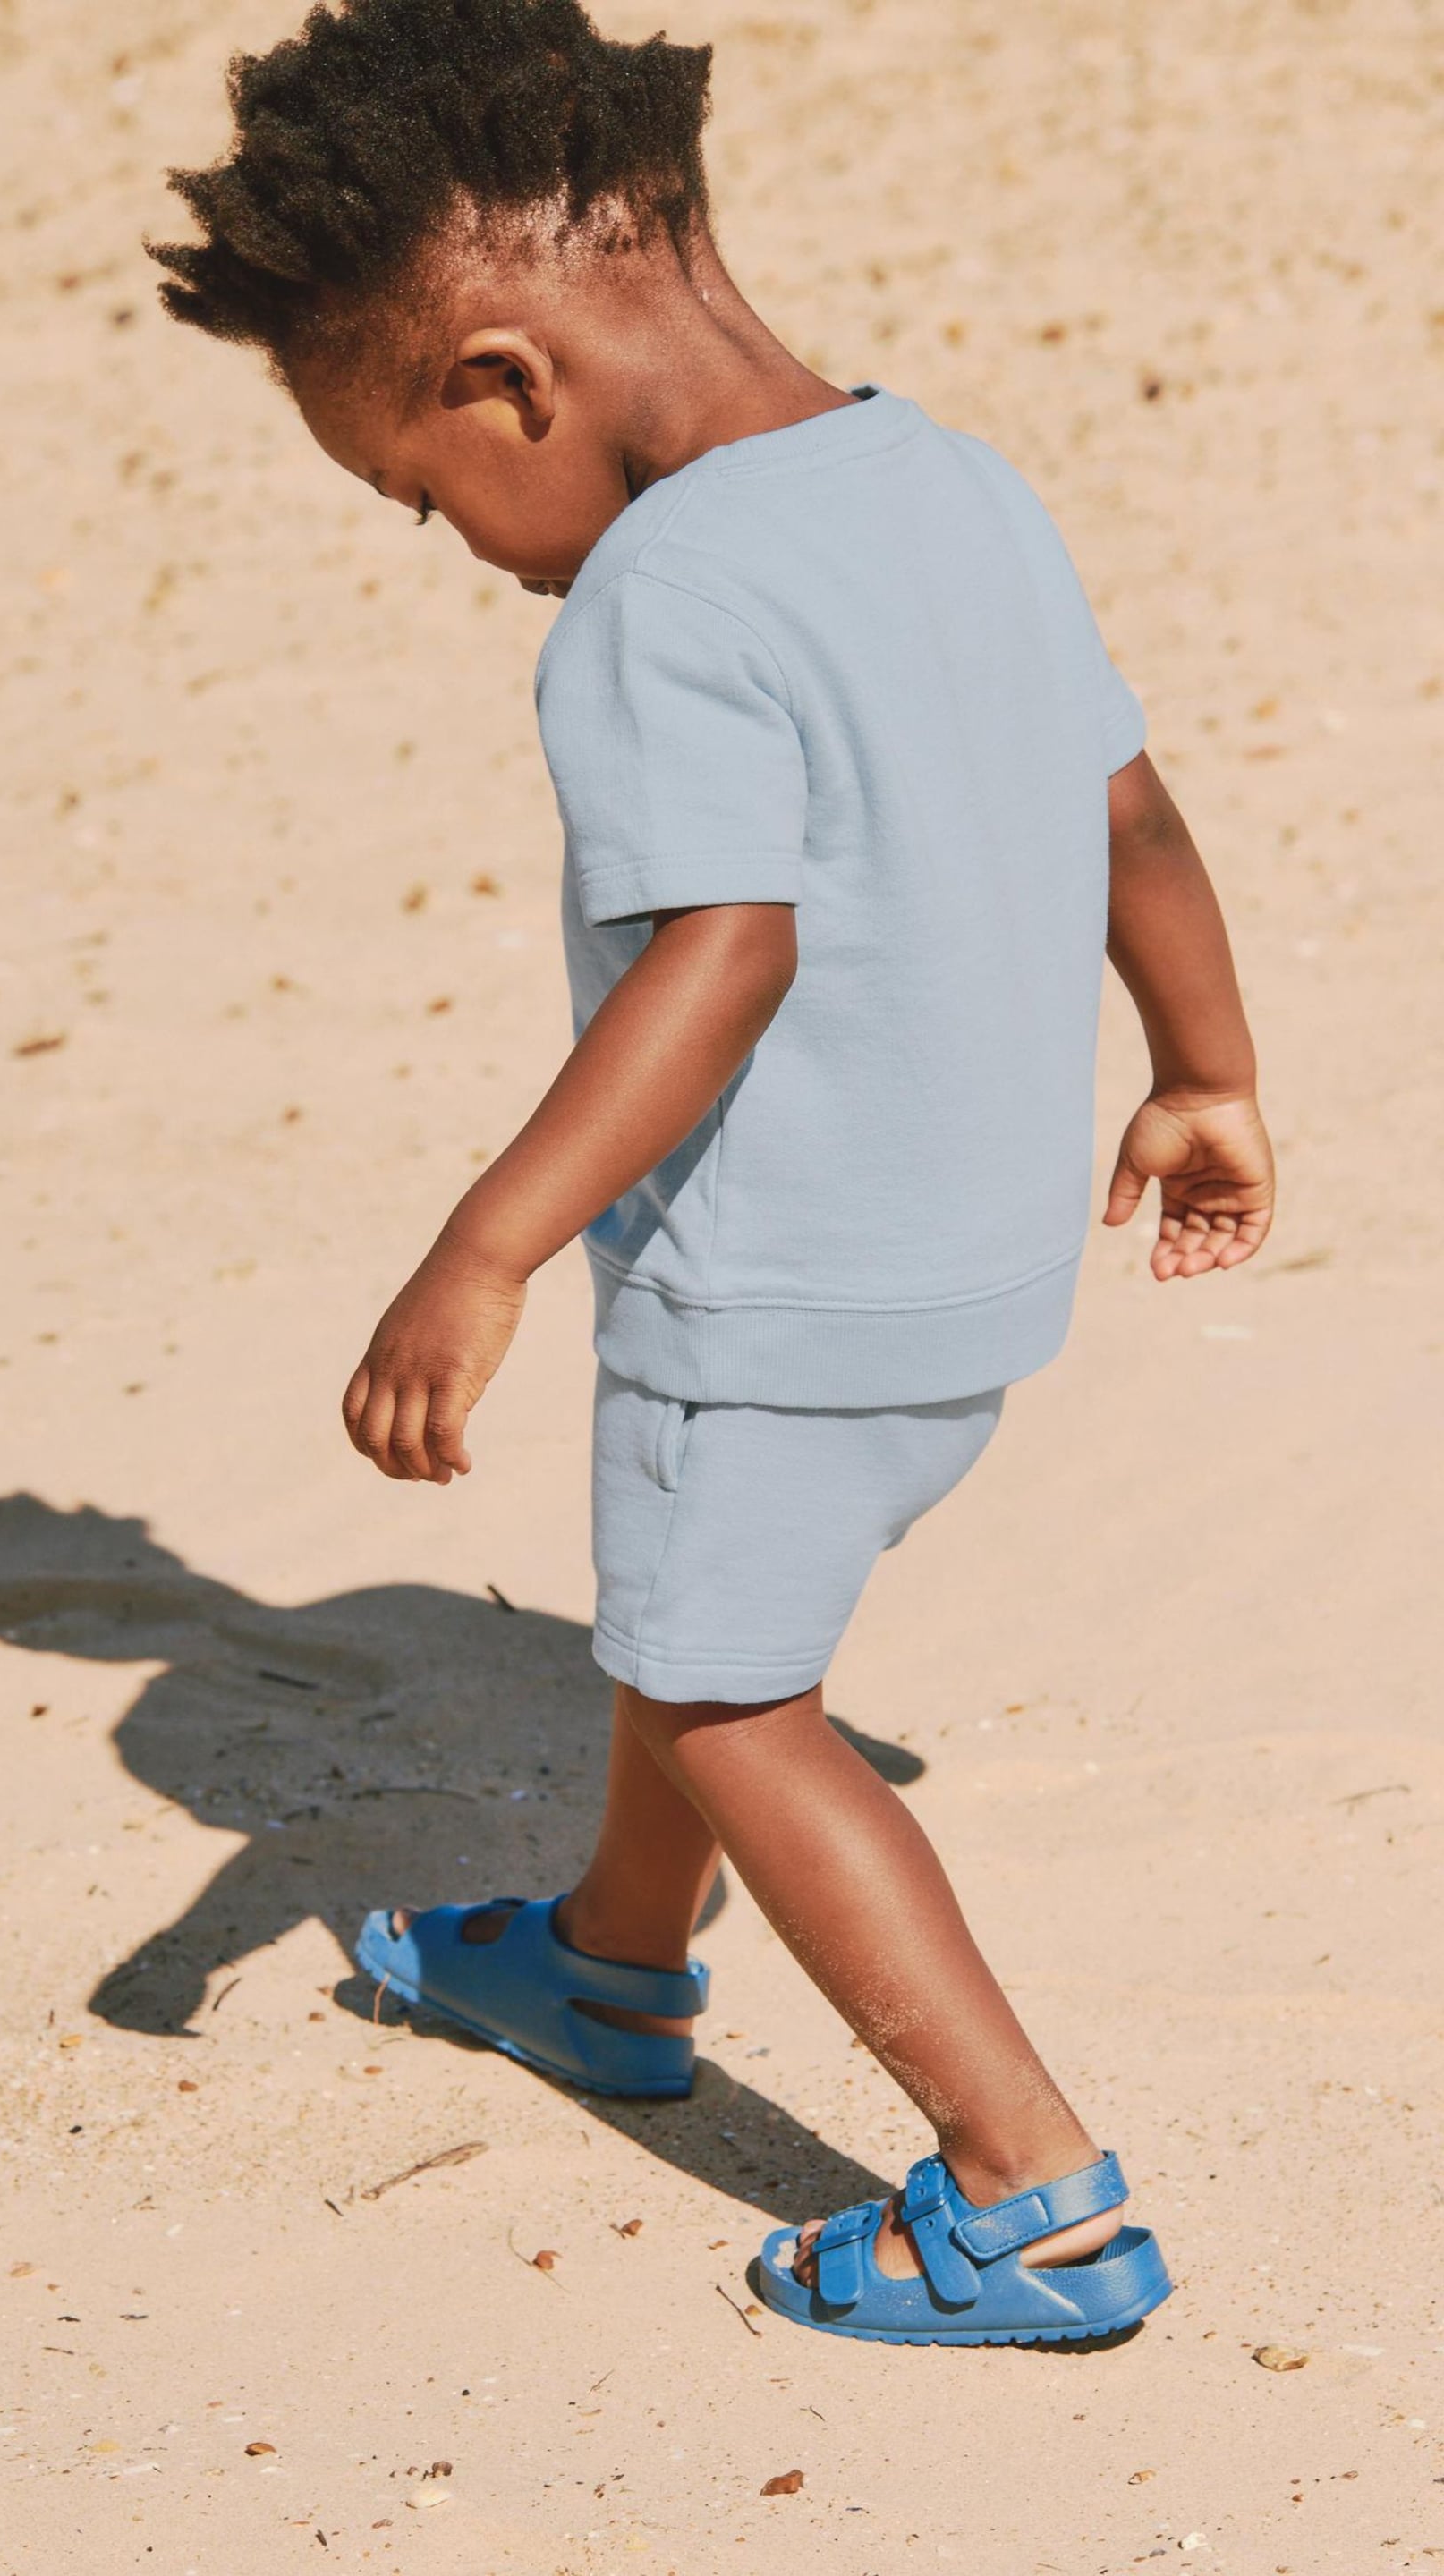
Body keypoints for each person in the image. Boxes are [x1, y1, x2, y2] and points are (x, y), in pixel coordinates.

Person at [153, 0, 1275, 2345]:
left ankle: (1031, 2195)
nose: (458, 546)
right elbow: (1129, 809)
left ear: (501, 378)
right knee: (701, 1634)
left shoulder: (662, 595)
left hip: (770, 1292)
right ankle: (606, 1969)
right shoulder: (954, 480)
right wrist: (1207, 1072)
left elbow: (726, 950)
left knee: (745, 1703)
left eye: (421, 494)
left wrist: (483, 1253)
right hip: (976, 1270)